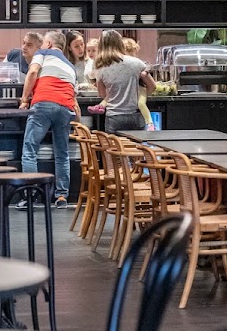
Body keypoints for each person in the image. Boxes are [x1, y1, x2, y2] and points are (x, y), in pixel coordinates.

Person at [19, 30, 80, 208]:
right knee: (62, 153)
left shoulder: (43, 53)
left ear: (49, 44)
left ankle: (31, 195)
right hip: (65, 108)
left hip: (44, 102)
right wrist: (77, 121)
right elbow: (74, 99)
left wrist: (24, 99)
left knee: (30, 150)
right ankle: (61, 197)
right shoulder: (71, 66)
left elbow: (32, 72)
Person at [93, 29, 155, 134]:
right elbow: (152, 86)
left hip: (113, 116)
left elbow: (102, 94)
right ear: (120, 43)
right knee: (135, 144)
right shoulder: (136, 63)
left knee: (114, 144)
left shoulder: (100, 67)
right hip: (134, 115)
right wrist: (139, 98)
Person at [123, 37, 156, 130]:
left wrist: (145, 72)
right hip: (130, 89)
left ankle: (150, 123)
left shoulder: (138, 62)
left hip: (140, 87)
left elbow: (148, 65)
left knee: (141, 103)